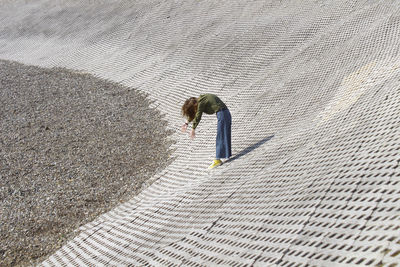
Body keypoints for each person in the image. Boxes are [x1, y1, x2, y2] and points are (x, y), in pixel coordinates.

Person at [181, 94, 232, 169]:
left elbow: (198, 115)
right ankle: (225, 155)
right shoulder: (202, 99)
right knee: (223, 135)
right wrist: (186, 123)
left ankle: (217, 160)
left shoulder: (201, 102)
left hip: (223, 114)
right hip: (224, 113)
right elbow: (196, 114)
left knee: (220, 136)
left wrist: (193, 129)